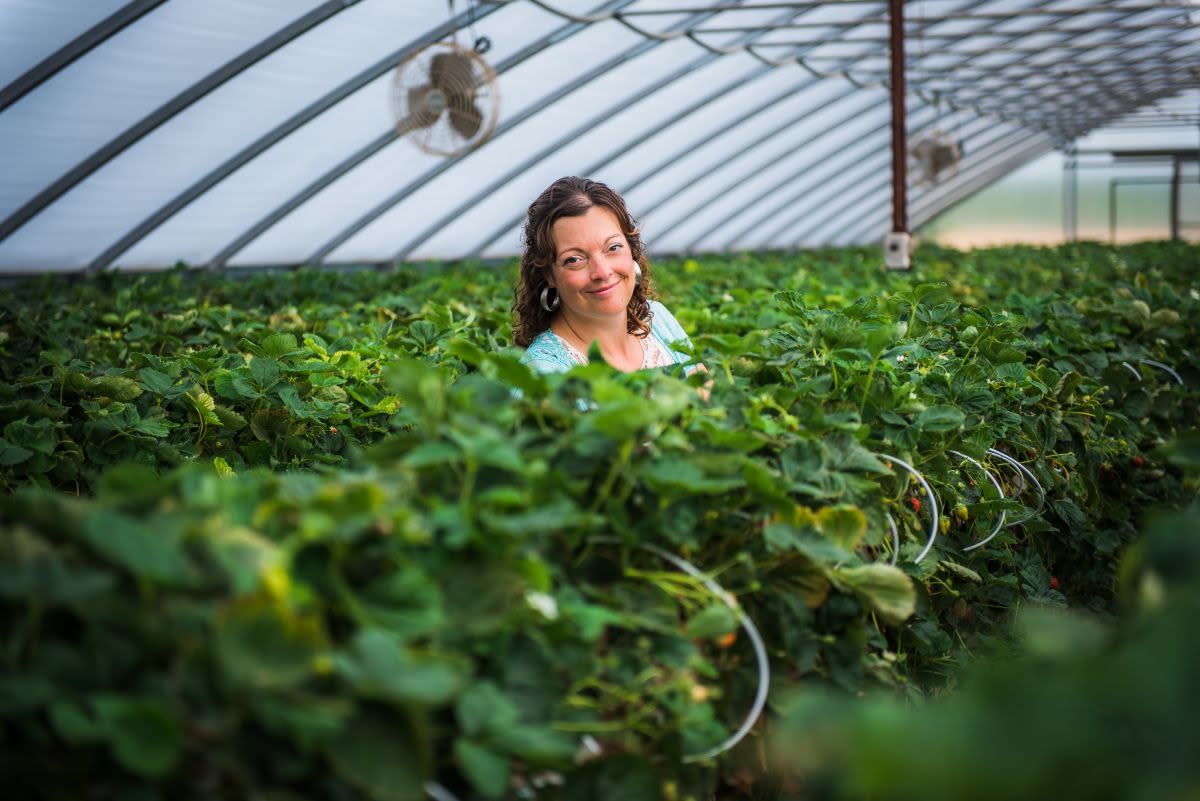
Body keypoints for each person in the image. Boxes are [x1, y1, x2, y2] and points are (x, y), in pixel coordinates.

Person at [513, 176, 702, 377]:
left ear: (632, 250)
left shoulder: (658, 319)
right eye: (574, 259)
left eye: (613, 247)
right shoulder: (544, 374)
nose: (602, 272)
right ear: (548, 274)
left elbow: (709, 399)